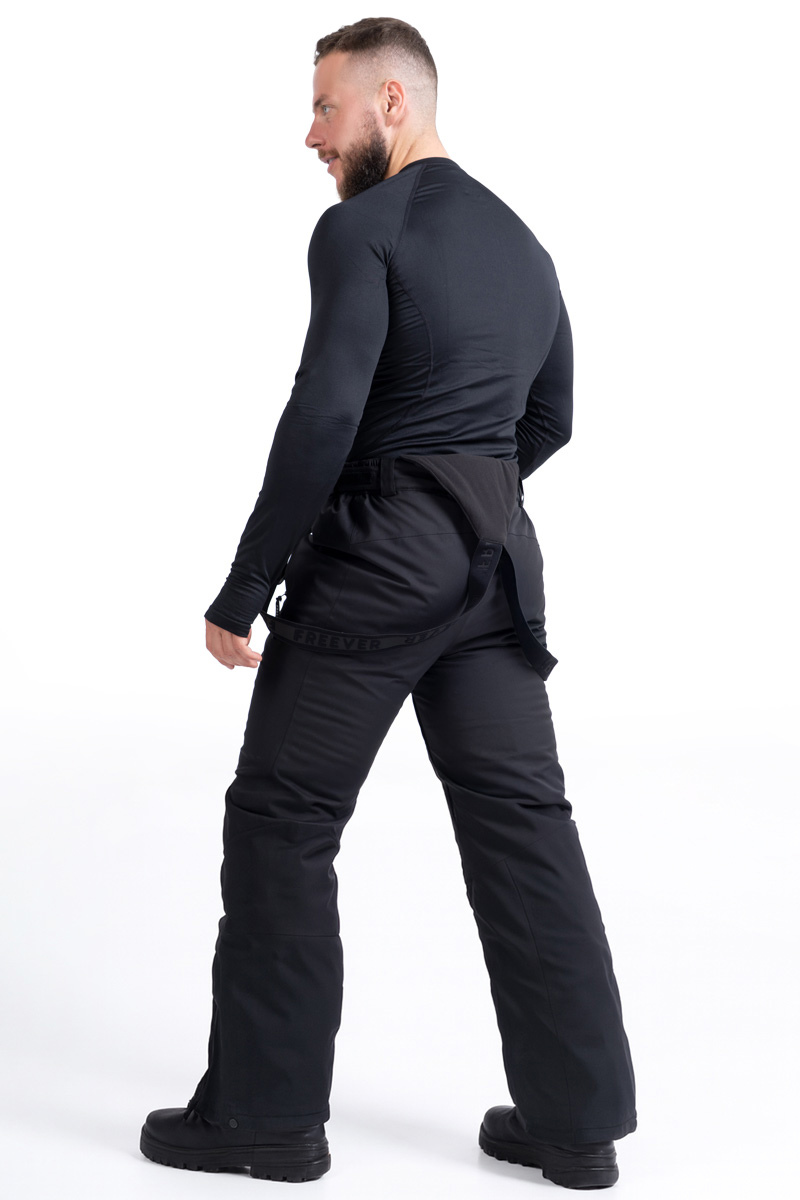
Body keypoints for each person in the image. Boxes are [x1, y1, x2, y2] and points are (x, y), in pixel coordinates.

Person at [139, 16, 637, 1190]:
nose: (309, 135)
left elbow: (324, 413)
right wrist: (463, 484)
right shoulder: (523, 244)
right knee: (522, 823)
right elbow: (551, 418)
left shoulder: (360, 229)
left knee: (283, 819)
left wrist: (246, 583)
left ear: (391, 102)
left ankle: (262, 1117)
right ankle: (574, 1126)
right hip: (496, 561)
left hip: (378, 563)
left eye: (325, 106)